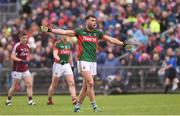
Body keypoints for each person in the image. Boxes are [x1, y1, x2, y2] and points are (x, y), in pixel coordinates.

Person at [40, 15, 128, 112]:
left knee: (86, 87)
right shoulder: (79, 32)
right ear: (87, 22)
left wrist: (123, 44)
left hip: (93, 62)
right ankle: (94, 106)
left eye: (95, 20)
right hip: (82, 60)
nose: (95, 22)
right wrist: (49, 30)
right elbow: (64, 32)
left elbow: (110, 39)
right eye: (92, 20)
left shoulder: (97, 33)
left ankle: (77, 107)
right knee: (91, 82)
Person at [5, 31, 36, 106]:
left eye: (26, 38)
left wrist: (28, 59)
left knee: (29, 84)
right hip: (17, 69)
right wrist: (21, 60)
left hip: (25, 68)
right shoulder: (17, 46)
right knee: (14, 86)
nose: (25, 39)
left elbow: (27, 55)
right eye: (23, 38)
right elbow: (12, 57)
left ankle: (30, 101)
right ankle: (8, 100)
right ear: (20, 38)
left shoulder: (27, 46)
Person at [47, 35, 77, 105]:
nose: (65, 37)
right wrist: (60, 61)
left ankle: (74, 99)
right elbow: (55, 55)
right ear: (61, 36)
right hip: (58, 64)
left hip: (66, 65)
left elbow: (70, 55)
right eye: (63, 35)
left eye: (66, 35)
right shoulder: (57, 44)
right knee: (54, 84)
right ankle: (49, 99)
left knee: (71, 82)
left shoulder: (69, 44)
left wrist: (72, 65)